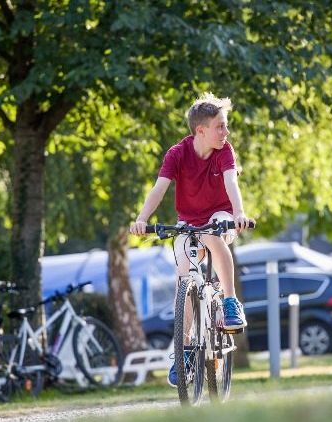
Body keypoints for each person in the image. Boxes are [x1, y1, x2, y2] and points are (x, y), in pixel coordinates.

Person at [129, 92, 255, 386]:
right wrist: (142, 219)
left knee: (214, 238)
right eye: (220, 126)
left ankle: (230, 301)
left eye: (225, 125)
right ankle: (184, 351)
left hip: (221, 215)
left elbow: (231, 182)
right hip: (188, 221)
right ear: (201, 131)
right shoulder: (177, 154)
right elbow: (159, 188)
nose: (225, 132)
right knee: (183, 279)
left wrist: (238, 213)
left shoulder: (225, 151)